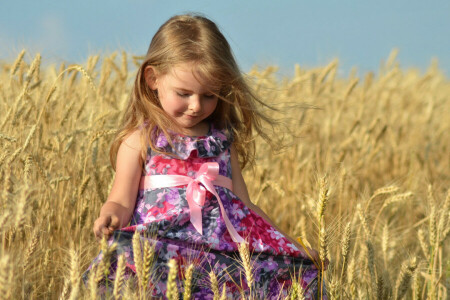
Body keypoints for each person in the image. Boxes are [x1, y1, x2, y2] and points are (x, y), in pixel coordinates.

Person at [83, 13, 328, 299]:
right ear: (153, 79)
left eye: (209, 95)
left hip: (221, 263)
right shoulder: (140, 141)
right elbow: (121, 201)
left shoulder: (223, 143)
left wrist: (292, 248)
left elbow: (246, 209)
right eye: (183, 93)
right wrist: (110, 216)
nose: (196, 106)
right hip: (160, 255)